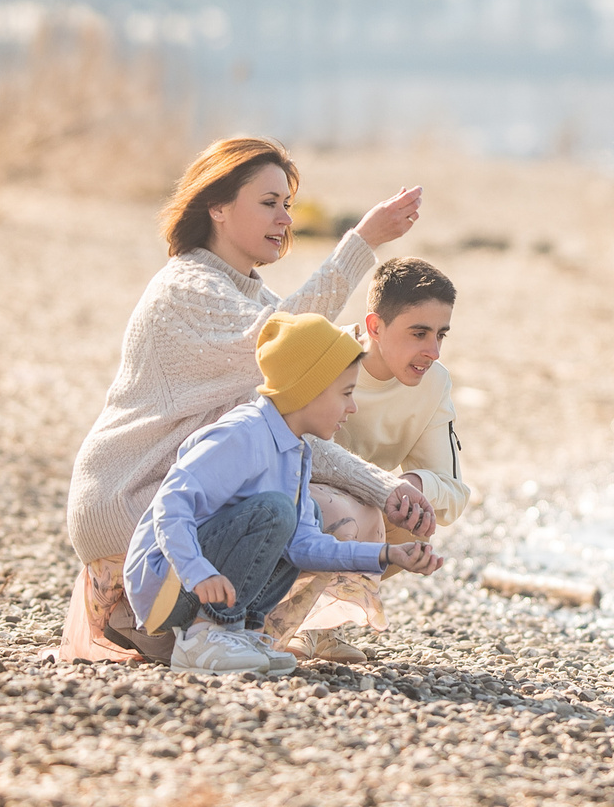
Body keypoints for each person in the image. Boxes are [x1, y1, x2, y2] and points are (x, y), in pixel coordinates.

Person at [57, 136, 424, 663]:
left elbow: (290, 433)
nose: (285, 219)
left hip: (191, 493)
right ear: (219, 208)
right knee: (323, 511)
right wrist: (362, 243)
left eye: (288, 206)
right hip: (134, 497)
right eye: (269, 203)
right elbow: (288, 333)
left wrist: (386, 488)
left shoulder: (245, 297)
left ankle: (236, 630)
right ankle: (192, 628)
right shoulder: (185, 288)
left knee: (363, 507)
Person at [125, 312, 441, 675]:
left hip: (200, 580)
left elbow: (305, 547)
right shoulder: (242, 434)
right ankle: (204, 637)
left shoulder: (295, 452)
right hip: (168, 583)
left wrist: (389, 554)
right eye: (346, 394)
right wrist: (197, 571)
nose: (352, 408)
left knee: (304, 520)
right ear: (309, 388)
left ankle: (241, 631)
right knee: (276, 511)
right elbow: (171, 503)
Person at [265, 257, 477, 661]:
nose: (432, 351)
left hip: (356, 507)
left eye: (440, 335)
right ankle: (270, 620)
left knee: (415, 525)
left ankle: (317, 624)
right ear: (375, 326)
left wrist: (409, 489)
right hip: (284, 506)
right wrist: (378, 490)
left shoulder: (434, 383)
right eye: (419, 333)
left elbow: (453, 492)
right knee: (347, 511)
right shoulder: (326, 359)